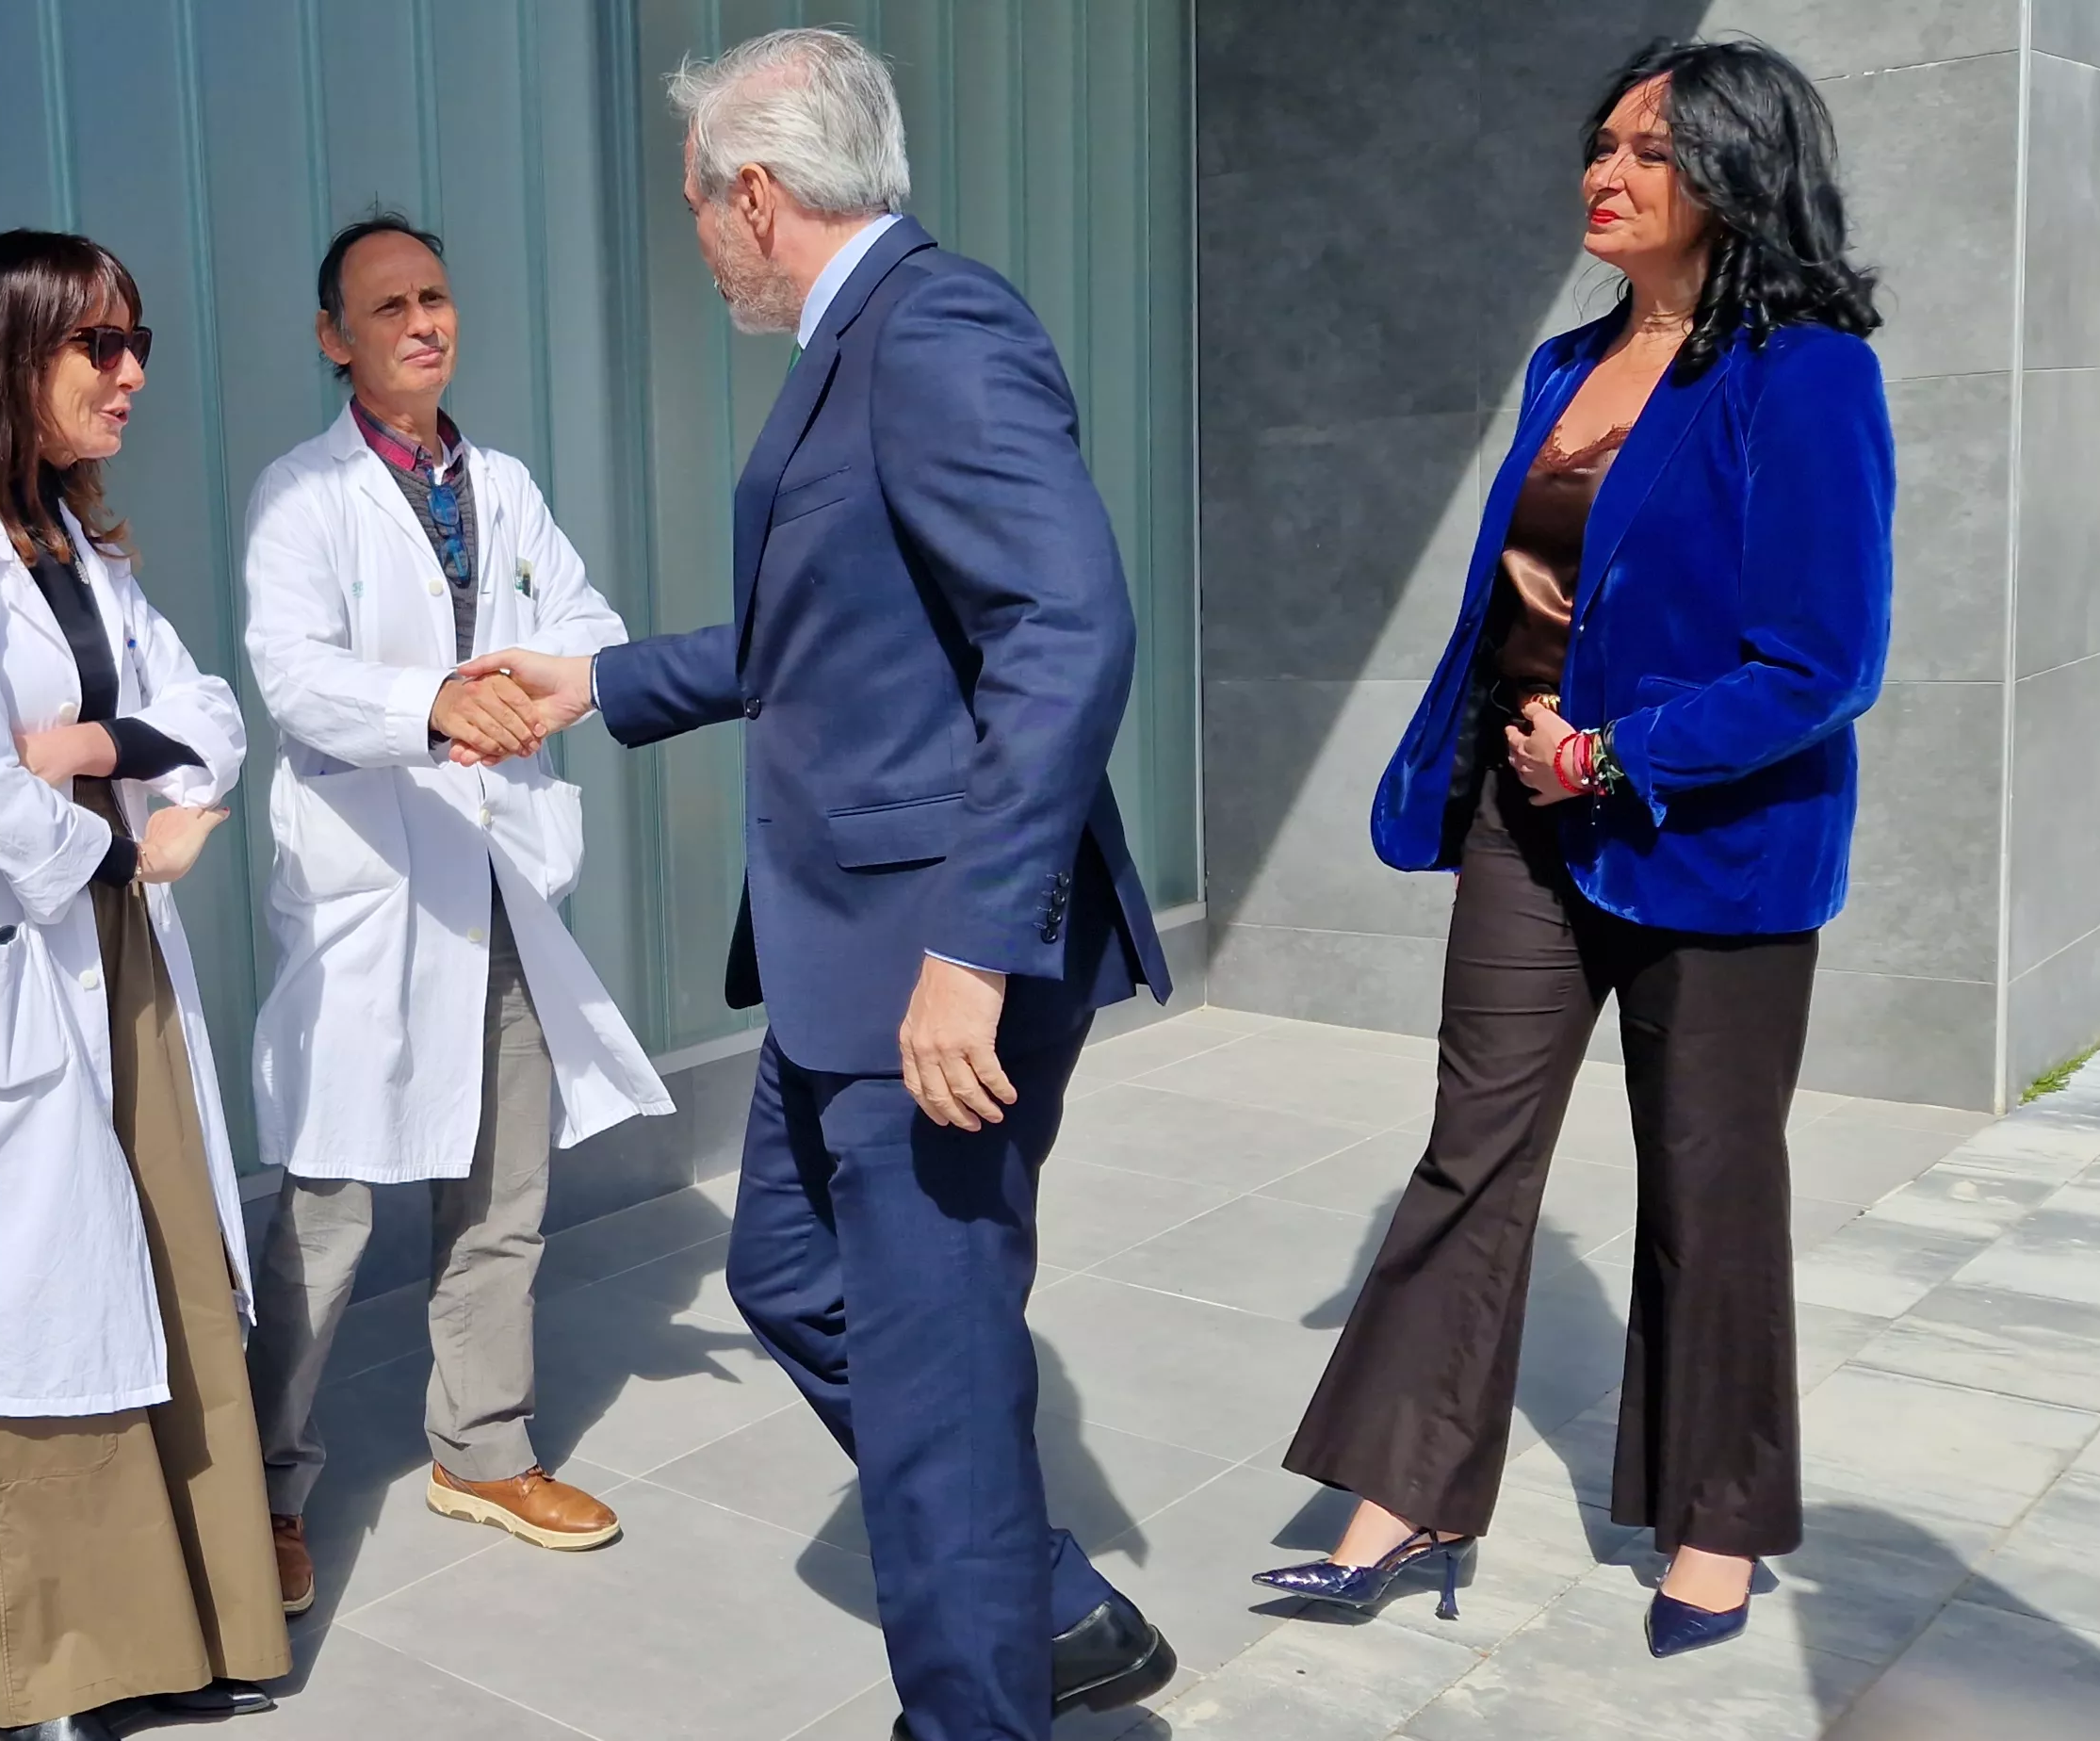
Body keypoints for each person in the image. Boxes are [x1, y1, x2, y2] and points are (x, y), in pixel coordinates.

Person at [463, 27, 1176, 1740]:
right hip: (842, 958)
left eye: (699, 206)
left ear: (755, 195)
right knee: (794, 1281)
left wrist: (976, 948)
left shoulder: (936, 332)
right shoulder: (864, 343)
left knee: (932, 1403)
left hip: (932, 975)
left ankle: (978, 1696)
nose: (698, 238)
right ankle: (1046, 1599)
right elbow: (841, 630)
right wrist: (606, 682)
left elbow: (1068, 628)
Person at [1257, 38, 1891, 1661]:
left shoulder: (1804, 369)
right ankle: (1404, 1495)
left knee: (1710, 1188)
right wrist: (1490, 762)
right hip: (1522, 830)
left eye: (1650, 152)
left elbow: (1820, 661)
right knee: (1473, 1151)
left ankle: (1720, 1524)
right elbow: (1519, 604)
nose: (1604, 173)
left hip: (1715, 845)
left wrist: (1619, 755)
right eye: (1600, 143)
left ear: (1738, 175)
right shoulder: (1563, 365)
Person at [0, 229, 282, 1741]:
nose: (132, 376)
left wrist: (101, 753)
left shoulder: (86, 549)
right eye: (98, 346)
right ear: (11, 356)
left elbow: (209, 715)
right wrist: (117, 840)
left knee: (162, 1254)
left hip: (116, 940)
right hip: (31, 943)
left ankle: (200, 1613)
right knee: (33, 1293)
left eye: (136, 341)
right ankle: (56, 1660)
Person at [237, 210, 672, 1611]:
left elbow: (591, 625)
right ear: (334, 340)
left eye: (435, 295)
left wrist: (525, 681)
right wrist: (431, 705)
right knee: (329, 1210)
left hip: (499, 878)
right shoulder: (300, 498)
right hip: (375, 893)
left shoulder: (507, 485)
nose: (422, 321)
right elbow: (291, 677)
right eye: (387, 307)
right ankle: (263, 1487)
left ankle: (482, 1451)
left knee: (506, 1193)